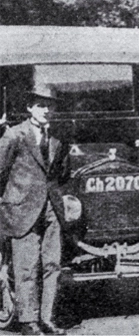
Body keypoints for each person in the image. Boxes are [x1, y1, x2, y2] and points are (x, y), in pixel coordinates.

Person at [0, 85, 69, 335]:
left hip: (51, 210)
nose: (46, 110)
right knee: (26, 267)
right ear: (29, 107)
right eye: (41, 105)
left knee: (53, 265)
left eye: (50, 105)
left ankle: (47, 319)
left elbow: (62, 173)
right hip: (22, 211)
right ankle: (28, 321)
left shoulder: (59, 137)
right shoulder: (14, 135)